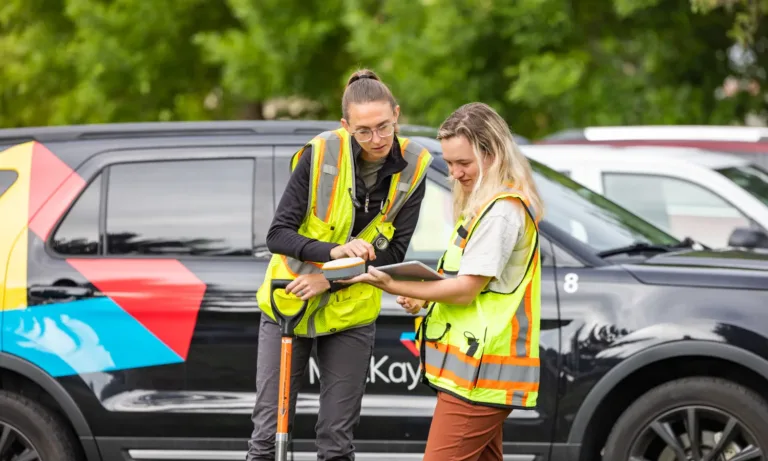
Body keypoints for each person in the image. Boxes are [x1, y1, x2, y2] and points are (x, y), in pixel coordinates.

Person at [340, 102, 544, 461]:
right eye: (449, 164)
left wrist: (394, 284)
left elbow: (466, 291)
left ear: (492, 153)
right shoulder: (488, 206)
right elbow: (469, 284)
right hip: (478, 372)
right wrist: (425, 298)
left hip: (481, 376)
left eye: (463, 163)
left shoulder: (501, 211)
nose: (455, 173)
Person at [247, 69, 433, 461]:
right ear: (345, 126)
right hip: (289, 304)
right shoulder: (321, 154)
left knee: (336, 444)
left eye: (385, 127)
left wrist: (329, 282)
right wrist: (333, 253)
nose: (377, 140)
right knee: (267, 437)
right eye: (364, 131)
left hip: (350, 316)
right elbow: (278, 235)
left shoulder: (415, 165)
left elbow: (394, 252)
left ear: (397, 114)